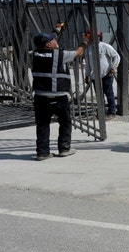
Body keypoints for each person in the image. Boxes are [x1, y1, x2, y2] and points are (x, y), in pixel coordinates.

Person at [30, 25, 88, 161]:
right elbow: (78, 52)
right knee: (65, 122)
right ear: (49, 44)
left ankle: (42, 153)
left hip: (40, 97)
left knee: (42, 125)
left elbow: (44, 44)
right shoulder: (60, 55)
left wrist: (56, 31)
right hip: (59, 96)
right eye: (53, 40)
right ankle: (64, 149)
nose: (56, 41)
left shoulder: (33, 54)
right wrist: (85, 41)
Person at [83, 29, 121, 120]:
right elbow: (88, 64)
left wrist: (114, 67)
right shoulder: (88, 49)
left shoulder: (105, 46)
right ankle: (101, 113)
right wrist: (87, 75)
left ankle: (112, 113)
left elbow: (116, 56)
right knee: (99, 96)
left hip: (106, 74)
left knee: (109, 94)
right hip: (95, 76)